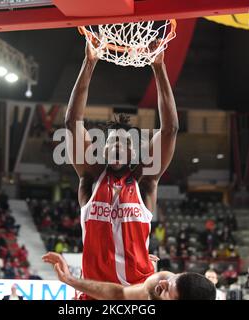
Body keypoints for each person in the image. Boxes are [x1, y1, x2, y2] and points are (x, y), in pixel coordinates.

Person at [64, 41, 178, 296]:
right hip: (92, 293)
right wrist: (89, 63)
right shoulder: (90, 179)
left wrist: (159, 67)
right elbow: (73, 122)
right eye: (111, 142)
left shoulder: (144, 182)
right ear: (103, 150)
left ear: (134, 154)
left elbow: (170, 129)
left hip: (137, 292)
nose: (117, 146)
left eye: (125, 143)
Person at [43, 252, 215, 300]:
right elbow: (120, 295)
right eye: (171, 280)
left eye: (167, 289)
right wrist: (70, 280)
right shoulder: (158, 281)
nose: (163, 281)